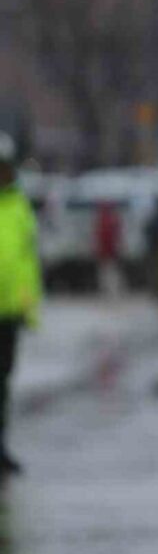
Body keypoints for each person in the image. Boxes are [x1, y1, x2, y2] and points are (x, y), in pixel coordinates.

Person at [0, 131, 41, 476]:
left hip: (10, 312)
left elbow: (27, 262)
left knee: (3, 383)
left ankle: (1, 447)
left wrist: (29, 307)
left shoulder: (20, 207)